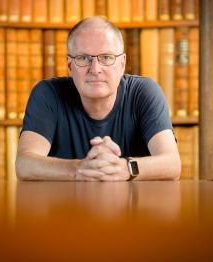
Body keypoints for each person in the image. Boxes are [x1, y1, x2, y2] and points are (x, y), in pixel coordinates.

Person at [16, 16, 181, 181]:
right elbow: (24, 164)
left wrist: (124, 168)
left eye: (107, 57)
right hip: (64, 204)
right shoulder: (47, 94)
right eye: (83, 58)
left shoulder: (144, 92)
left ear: (122, 63)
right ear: (69, 66)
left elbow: (172, 164)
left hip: (133, 205)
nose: (95, 69)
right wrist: (79, 169)